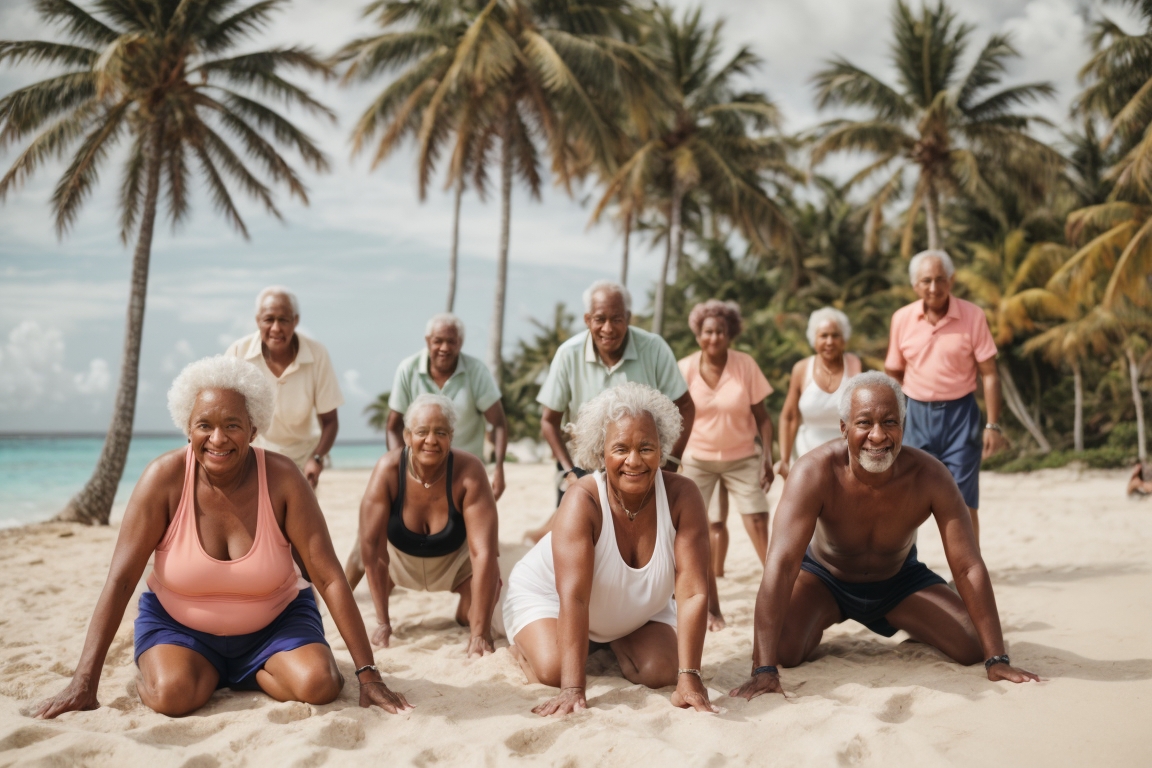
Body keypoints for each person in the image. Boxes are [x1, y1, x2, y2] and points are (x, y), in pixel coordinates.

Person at [34, 356, 411, 719]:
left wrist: (369, 676)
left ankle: (240, 671)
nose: (217, 438)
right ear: (188, 427)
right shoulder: (163, 479)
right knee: (171, 695)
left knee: (320, 685)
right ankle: (196, 668)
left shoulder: (283, 480)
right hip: (178, 626)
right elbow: (121, 579)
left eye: (232, 425)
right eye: (205, 425)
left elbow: (328, 577)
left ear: (253, 429)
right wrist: (84, 681)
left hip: (277, 625)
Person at [728, 372, 1039, 702]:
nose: (877, 436)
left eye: (890, 422)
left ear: (903, 425)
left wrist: (997, 658)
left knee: (973, 646)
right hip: (825, 579)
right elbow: (781, 565)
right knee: (783, 652)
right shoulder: (813, 471)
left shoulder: (930, 475)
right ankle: (815, 624)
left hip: (898, 581)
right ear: (844, 427)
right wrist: (763, 669)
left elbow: (967, 565)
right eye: (864, 423)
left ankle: (925, 615)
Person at [504, 383, 717, 716]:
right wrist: (573, 689)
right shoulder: (583, 500)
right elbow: (574, 598)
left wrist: (690, 677)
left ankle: (606, 637)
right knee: (552, 671)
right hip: (551, 597)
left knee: (663, 671)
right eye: (620, 448)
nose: (634, 460)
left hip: (634, 606)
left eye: (646, 447)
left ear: (661, 448)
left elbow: (692, 592)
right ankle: (527, 645)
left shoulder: (683, 496)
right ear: (600, 452)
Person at [344, 313, 506, 589]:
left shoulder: (476, 371)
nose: (444, 347)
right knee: (366, 540)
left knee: (483, 549)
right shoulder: (408, 369)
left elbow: (499, 422)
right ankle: (340, 597)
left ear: (460, 343)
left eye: (451, 341)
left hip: (462, 477)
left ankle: (472, 602)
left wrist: (499, 468)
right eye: (438, 341)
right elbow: (393, 426)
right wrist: (401, 468)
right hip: (417, 471)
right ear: (428, 341)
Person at [527, 280, 695, 542]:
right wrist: (569, 471)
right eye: (599, 319)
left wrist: (671, 462)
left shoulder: (654, 348)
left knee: (640, 537)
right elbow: (549, 422)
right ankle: (545, 531)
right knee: (574, 537)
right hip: (584, 465)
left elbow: (685, 406)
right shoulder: (567, 353)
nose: (608, 328)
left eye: (616, 319)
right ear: (587, 320)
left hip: (638, 465)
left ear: (628, 318)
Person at [356, 394, 500, 657]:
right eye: (422, 432)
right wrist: (383, 622)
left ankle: (465, 613)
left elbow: (484, 554)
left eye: (440, 432)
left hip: (454, 569)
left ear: (451, 436)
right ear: (407, 436)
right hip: (398, 566)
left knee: (485, 606)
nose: (431, 440)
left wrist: (479, 633)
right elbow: (372, 549)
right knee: (361, 548)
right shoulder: (388, 469)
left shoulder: (470, 471)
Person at [884, 251, 1007, 545]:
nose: (934, 287)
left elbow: (990, 374)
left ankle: (968, 568)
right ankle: (904, 567)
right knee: (906, 499)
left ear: (952, 280)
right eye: (926, 280)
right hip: (915, 416)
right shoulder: (901, 318)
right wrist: (892, 422)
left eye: (941, 279)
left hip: (961, 417)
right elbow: (893, 374)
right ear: (915, 285)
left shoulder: (973, 316)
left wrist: (992, 425)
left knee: (963, 502)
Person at [677, 300, 775, 632]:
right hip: (697, 459)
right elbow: (674, 417)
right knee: (696, 530)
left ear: (730, 334)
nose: (714, 337)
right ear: (698, 335)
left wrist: (767, 457)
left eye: (720, 331)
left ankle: (782, 593)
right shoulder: (684, 368)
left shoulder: (745, 365)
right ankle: (711, 609)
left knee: (758, 519)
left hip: (742, 456)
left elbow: (763, 418)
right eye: (708, 331)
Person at [225, 286, 343, 489]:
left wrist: (316, 458)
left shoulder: (317, 354)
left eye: (284, 320)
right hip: (252, 455)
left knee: (298, 510)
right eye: (269, 319)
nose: (276, 328)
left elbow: (330, 421)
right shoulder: (238, 352)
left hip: (302, 458)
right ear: (258, 321)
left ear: (295, 321)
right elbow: (223, 410)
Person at [778, 307, 862, 477]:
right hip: (806, 456)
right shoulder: (801, 369)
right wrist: (784, 461)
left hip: (844, 458)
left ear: (844, 340)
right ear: (814, 340)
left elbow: (862, 414)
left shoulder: (853, 364)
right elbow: (789, 417)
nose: (829, 342)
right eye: (824, 336)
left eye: (835, 335)